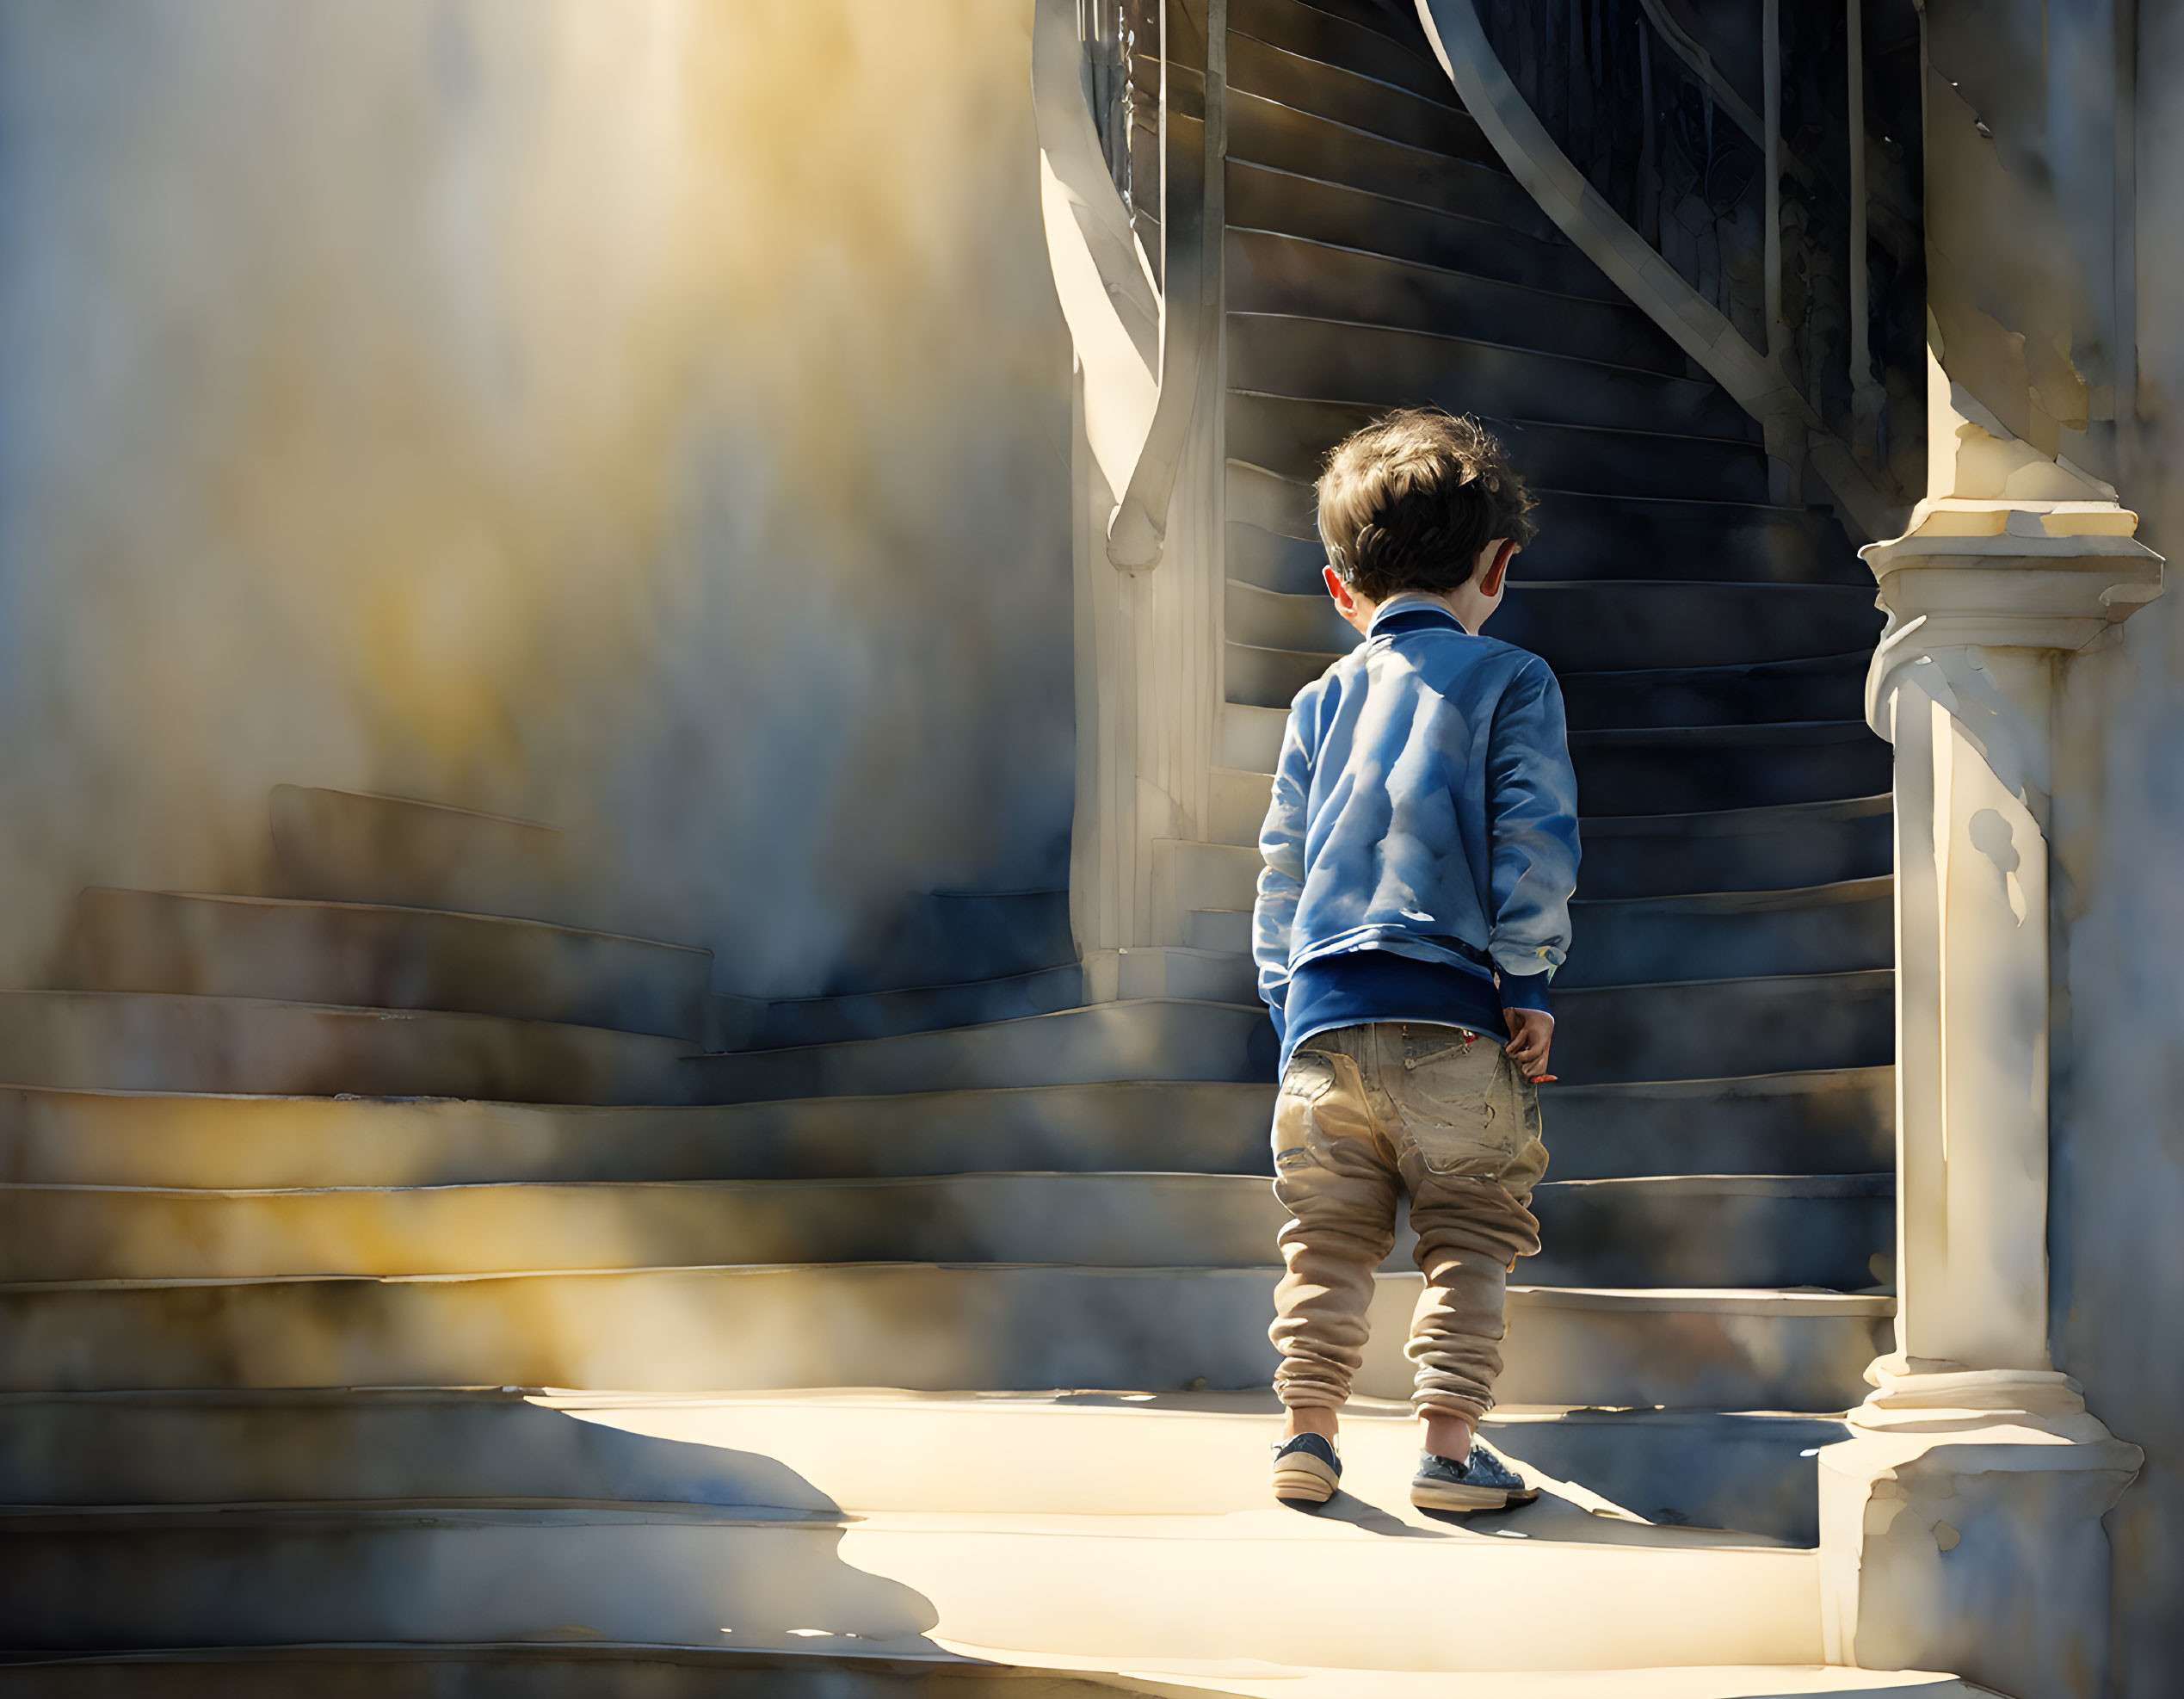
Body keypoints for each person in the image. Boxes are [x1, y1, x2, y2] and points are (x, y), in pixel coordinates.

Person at [1251, 406, 1579, 1513]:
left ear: (1340, 591)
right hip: (1454, 1012)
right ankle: (1446, 1448)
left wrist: (1291, 1009)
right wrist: (1526, 981)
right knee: (1471, 1229)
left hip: (1322, 1022)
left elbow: (1281, 874)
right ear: (1499, 566)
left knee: (1325, 1243)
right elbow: (1535, 838)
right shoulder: (1513, 680)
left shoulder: (1317, 702)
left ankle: (1307, 1438)